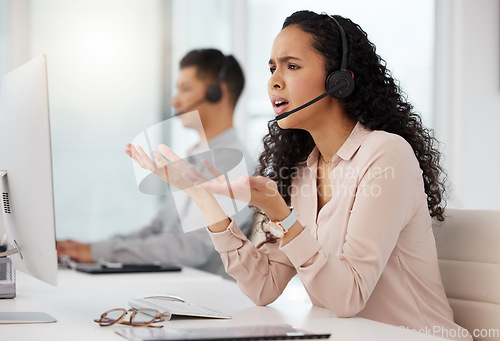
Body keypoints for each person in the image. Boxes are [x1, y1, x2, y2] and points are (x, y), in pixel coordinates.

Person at [126, 11, 471, 341]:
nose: (274, 80)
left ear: (338, 81)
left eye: (291, 66)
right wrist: (203, 196)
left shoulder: (385, 154)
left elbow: (348, 296)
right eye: (273, 67)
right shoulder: (302, 171)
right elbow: (263, 287)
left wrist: (281, 214)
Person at [57, 49, 255, 278]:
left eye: (185, 89)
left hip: (204, 296)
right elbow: (158, 229)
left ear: (215, 93)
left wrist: (98, 252)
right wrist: (92, 250)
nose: (175, 100)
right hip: (175, 285)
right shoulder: (198, 157)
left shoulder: (231, 166)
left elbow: (190, 249)